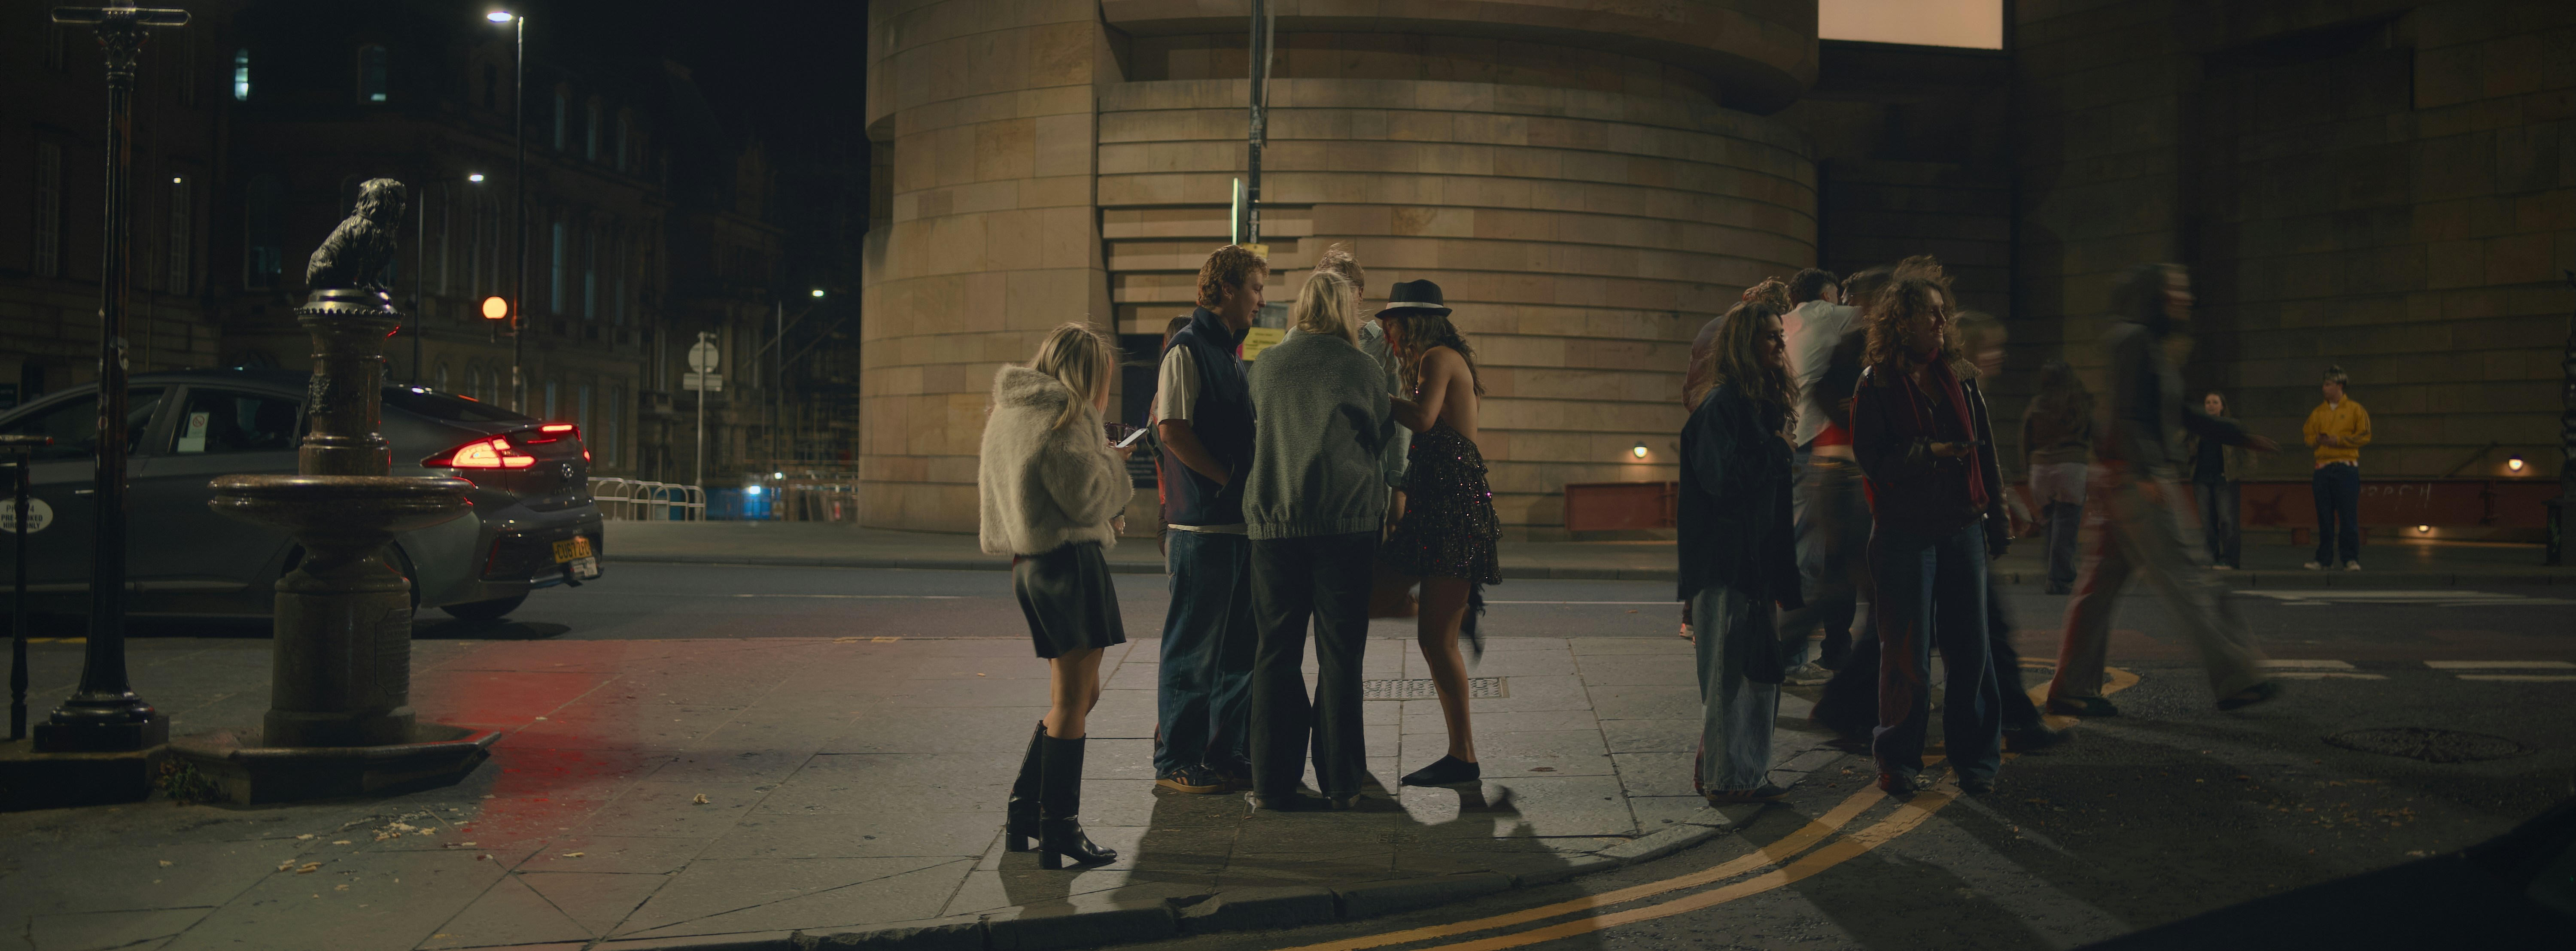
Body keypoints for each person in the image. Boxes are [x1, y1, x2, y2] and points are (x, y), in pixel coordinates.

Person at [2047, 264, 2283, 717]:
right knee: (2190, 577)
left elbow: (2182, 412)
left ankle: (2072, 687)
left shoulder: (2145, 343)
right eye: (2176, 291)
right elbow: (2130, 413)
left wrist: (2237, 433)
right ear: (2154, 296)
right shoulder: (2135, 340)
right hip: (2141, 480)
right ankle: (2238, 677)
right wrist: (2146, 472)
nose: (2185, 298)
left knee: (2100, 588)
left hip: (2126, 478)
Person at [978, 323, 1134, 869]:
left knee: (1079, 695)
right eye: (1104, 380)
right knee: (1074, 700)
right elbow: (1086, 495)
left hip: (1030, 564)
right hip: (1069, 563)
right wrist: (1113, 461)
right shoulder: (1066, 415)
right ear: (1089, 375)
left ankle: (1025, 811)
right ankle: (1059, 829)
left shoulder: (1009, 412)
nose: (1104, 394)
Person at [1242, 271, 1397, 811]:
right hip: (1345, 525)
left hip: (1274, 524)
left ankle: (1271, 783)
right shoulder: (1361, 367)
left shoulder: (1265, 366)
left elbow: (1257, 427)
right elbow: (1381, 438)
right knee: (1339, 656)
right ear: (1345, 310)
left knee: (1275, 654)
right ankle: (1341, 783)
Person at [1851, 276, 2010, 796]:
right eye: (1930, 314)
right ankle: (1898, 759)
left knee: (1971, 652)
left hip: (1962, 525)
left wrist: (1998, 517)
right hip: (1903, 533)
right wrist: (1930, 453)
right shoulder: (1873, 383)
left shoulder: (1959, 377)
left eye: (1944, 313)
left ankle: (1976, 764)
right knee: (1906, 655)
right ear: (1902, 321)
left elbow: (1984, 450)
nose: (1942, 324)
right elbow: (1872, 460)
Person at [1151, 245, 1267, 794]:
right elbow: (1172, 429)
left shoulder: (1228, 353)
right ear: (1224, 290)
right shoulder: (1188, 349)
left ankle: (1225, 754)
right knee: (1193, 652)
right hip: (1201, 528)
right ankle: (1177, 759)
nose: (1260, 302)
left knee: (1237, 654)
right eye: (1255, 289)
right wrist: (1226, 480)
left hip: (1235, 528)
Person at [1679, 299, 1805, 802]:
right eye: (1770, 335)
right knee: (1726, 678)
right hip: (1724, 563)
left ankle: (1743, 774)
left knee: (1756, 675)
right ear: (1743, 345)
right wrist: (1777, 451)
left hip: (1753, 563)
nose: (1780, 343)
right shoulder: (1721, 406)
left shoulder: (1759, 405)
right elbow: (1719, 482)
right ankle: (1726, 781)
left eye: (1781, 335)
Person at [1378, 280, 1502, 787]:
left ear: (1411, 321)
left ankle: (1463, 757)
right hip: (1441, 504)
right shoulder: (1441, 356)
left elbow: (1424, 420)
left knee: (1434, 639)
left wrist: (1370, 394)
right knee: (1398, 609)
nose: (1386, 331)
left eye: (1391, 322)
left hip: (1450, 510)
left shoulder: (1435, 356)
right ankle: (1461, 756)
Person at [1955, 311, 2068, 752]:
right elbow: (1976, 463)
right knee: (1988, 629)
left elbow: (1989, 465)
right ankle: (2016, 724)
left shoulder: (1970, 391)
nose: (1998, 355)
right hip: (1955, 529)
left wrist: (2012, 509)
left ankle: (1847, 707)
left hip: (1962, 527)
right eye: (1989, 347)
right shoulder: (1959, 390)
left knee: (1976, 631)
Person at [1774, 267, 1866, 677]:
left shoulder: (1785, 323)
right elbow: (1885, 317)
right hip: (1819, 443)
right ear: (1829, 296)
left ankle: (1830, 649)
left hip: (1797, 440)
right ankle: (1786, 656)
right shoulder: (1828, 315)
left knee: (1821, 554)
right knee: (1813, 557)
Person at [2023, 361, 2095, 594]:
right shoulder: (2080, 402)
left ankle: (2054, 569)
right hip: (2071, 467)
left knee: (2052, 520)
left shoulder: (2036, 405)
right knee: (2067, 523)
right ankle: (2060, 579)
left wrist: (2030, 470)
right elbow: (2094, 434)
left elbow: (2025, 439)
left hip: (2040, 468)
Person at [2302, 366, 2370, 571]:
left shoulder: (2356, 410)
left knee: (2348, 515)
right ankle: (2324, 558)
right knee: (2324, 516)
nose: (2324, 388)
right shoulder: (2318, 412)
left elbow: (2364, 435)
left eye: (2328, 384)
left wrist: (2338, 440)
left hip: (2346, 467)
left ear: (2339, 386)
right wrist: (2318, 440)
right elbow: (2307, 436)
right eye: (2325, 384)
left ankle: (2350, 558)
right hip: (2323, 469)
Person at [2187, 391, 2253, 570]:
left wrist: (2240, 472)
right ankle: (2211, 558)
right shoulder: (2198, 428)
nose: (2211, 405)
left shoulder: (2231, 426)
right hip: (2202, 479)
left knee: (2227, 521)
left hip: (2225, 479)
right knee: (2207, 522)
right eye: (2208, 402)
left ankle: (2230, 559)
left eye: (2215, 402)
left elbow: (2248, 450)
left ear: (2223, 406)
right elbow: (2186, 448)